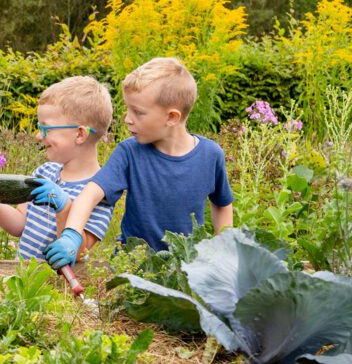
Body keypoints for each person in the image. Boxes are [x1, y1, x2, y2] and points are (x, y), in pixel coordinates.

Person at [43, 57, 234, 269]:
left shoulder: (210, 155)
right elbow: (88, 195)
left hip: (185, 269)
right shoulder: (130, 152)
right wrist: (71, 236)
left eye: (138, 112)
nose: (127, 119)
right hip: (133, 267)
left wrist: (222, 250)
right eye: (127, 109)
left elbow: (222, 204)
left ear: (171, 117)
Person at [0, 76, 115, 262]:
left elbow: (79, 253)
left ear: (79, 134)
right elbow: (19, 225)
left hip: (55, 288)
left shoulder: (100, 193)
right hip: (23, 283)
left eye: (46, 129)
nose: (39, 136)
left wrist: (63, 206)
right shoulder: (44, 172)